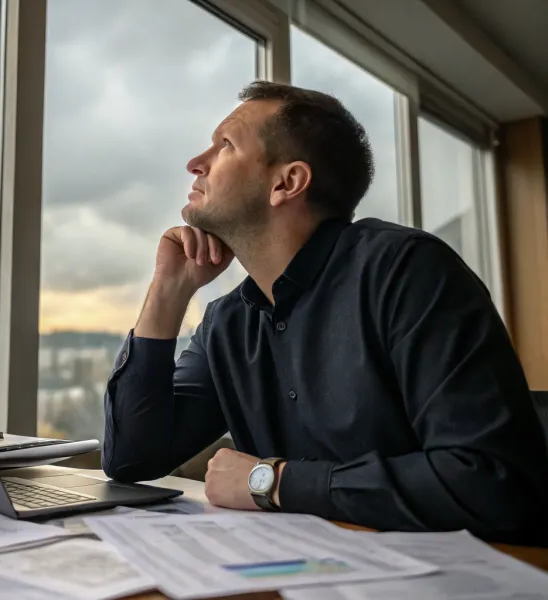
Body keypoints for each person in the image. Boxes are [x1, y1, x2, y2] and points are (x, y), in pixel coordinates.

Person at [101, 81, 548, 544]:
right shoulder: (228, 323)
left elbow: (492, 481)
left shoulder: (407, 272)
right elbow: (132, 461)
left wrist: (272, 481)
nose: (196, 163)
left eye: (226, 145)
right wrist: (167, 294)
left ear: (287, 182)